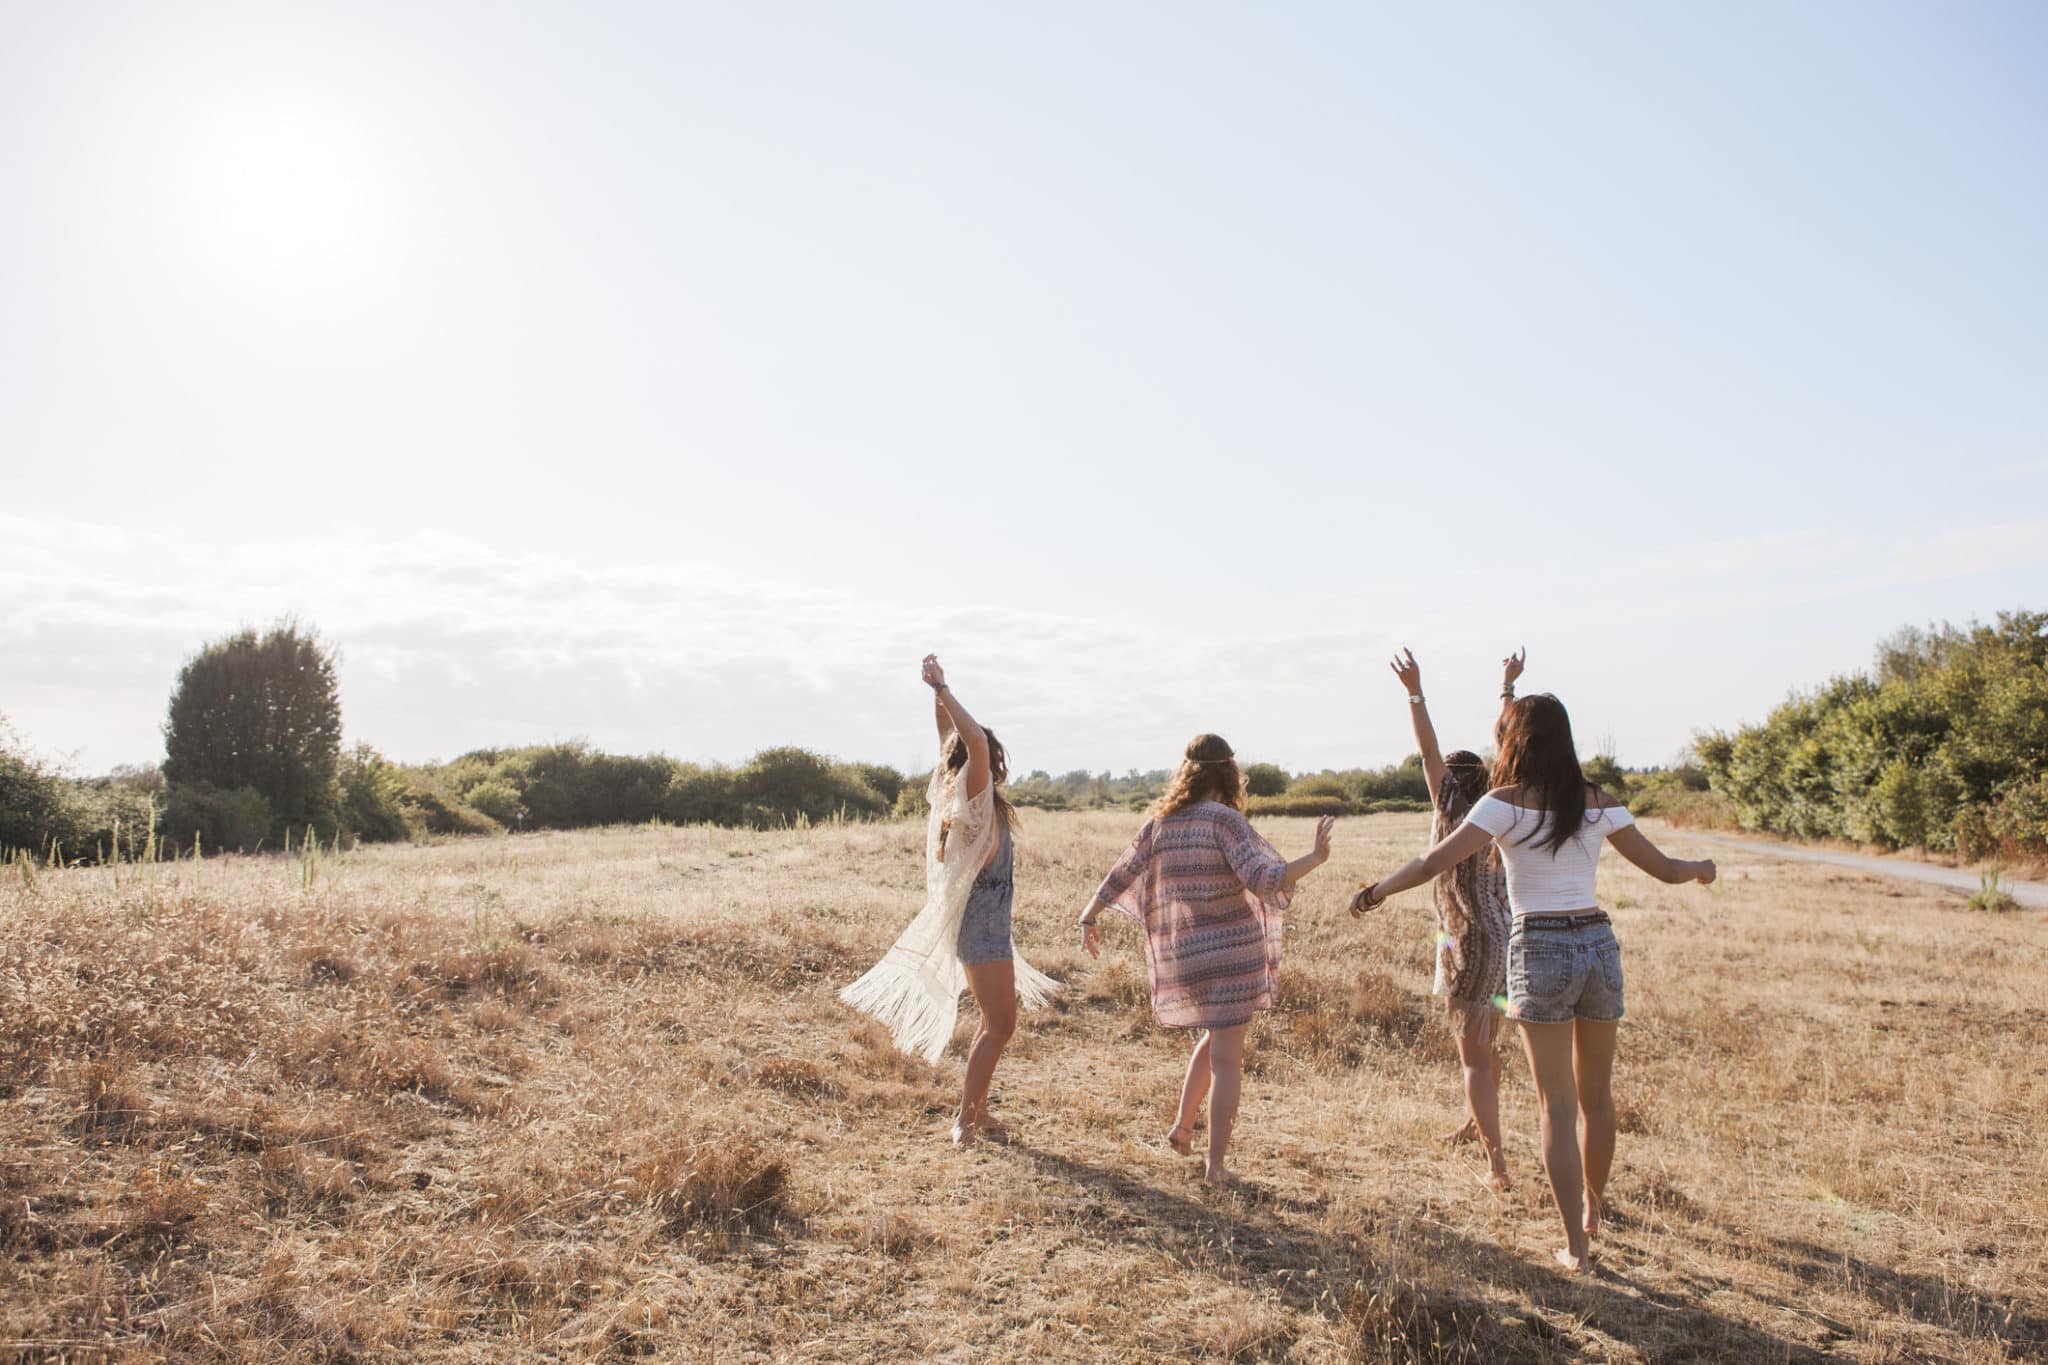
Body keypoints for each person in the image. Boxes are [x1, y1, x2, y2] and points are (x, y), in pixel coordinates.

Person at [1352, 694, 1715, 1272]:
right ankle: (1593, 1214)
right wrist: (1699, 870)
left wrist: (1374, 893)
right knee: (1598, 1100)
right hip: (1598, 944)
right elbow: (1667, 870)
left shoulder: (1505, 805)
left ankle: (1576, 1246)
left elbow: (1431, 864)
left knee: (1557, 1106)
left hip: (1540, 947)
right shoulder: (1599, 803)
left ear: (1514, 742)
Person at [1079, 735, 1336, 1184]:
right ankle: (1216, 1167)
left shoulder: (1162, 822)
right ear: (1229, 772)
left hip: (1188, 955)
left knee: (1216, 1039)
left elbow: (1123, 870)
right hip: (1233, 954)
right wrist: (1314, 858)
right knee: (1228, 1061)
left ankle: (1182, 1129)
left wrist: (1089, 915)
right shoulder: (1225, 821)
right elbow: (1263, 880)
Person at [840, 655, 1061, 1148]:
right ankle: (965, 1119)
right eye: (988, 755)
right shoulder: (972, 793)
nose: (992, 759)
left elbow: (953, 741)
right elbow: (971, 741)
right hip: (981, 926)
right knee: (1001, 1023)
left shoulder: (958, 792)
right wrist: (943, 686)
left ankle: (977, 1112)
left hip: (986, 924)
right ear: (986, 762)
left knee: (994, 1022)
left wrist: (936, 699)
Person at [1358, 646, 1524, 1188]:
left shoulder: (1451, 809)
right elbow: (1508, 744)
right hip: (1503, 940)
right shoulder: (1503, 807)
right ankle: (1475, 1125)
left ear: (1449, 785)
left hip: (1469, 941)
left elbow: (1427, 748)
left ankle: (1496, 1165)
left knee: (1473, 1056)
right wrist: (1507, 687)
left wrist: (1415, 691)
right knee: (1486, 1043)